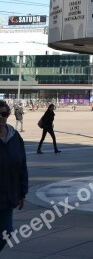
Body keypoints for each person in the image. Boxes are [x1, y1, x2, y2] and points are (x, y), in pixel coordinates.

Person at [0, 100, 28, 252]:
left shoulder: (15, 137)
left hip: (8, 194)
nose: (1, 117)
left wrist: (22, 193)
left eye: (4, 114)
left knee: (7, 231)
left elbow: (22, 166)